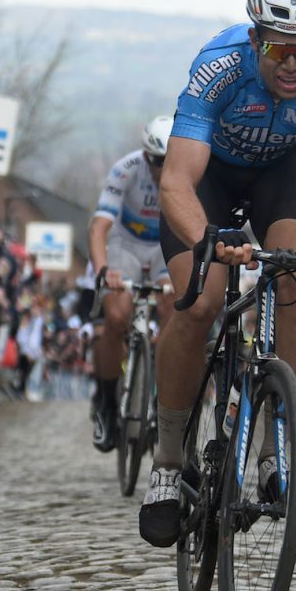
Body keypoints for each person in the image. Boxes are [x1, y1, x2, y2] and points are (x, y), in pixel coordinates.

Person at [140, 0, 296, 547]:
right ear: (254, 40)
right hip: (209, 175)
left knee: (295, 278)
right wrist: (208, 239)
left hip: (282, 172)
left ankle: (272, 453)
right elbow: (175, 183)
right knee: (200, 302)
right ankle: (169, 462)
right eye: (278, 48)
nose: (292, 64)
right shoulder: (218, 65)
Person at [86, 115, 175, 452]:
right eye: (156, 162)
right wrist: (103, 269)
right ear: (145, 155)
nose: (162, 169)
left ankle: (164, 403)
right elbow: (99, 227)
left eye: (169, 162)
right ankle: (106, 405)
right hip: (126, 245)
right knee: (117, 318)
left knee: (173, 310)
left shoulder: (189, 171)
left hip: (165, 245)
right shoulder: (126, 169)